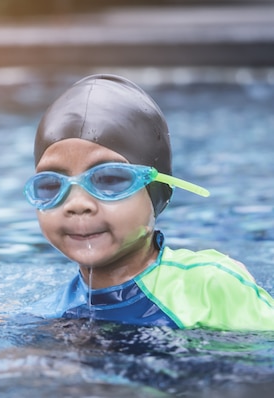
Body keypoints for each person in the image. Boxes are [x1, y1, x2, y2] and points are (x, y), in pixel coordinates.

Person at [22, 74, 274, 331]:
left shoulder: (208, 286)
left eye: (109, 179)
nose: (76, 204)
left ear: (157, 191)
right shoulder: (47, 315)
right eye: (51, 185)